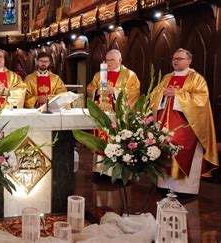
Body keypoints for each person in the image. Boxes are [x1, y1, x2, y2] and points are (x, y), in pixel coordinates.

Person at [150, 48, 218, 195]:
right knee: (164, 151)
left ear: (189, 61)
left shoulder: (196, 79)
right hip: (165, 125)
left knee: (183, 153)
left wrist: (178, 95)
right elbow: (154, 95)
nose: (175, 61)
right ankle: (164, 185)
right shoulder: (167, 77)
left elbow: (201, 101)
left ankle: (185, 190)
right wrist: (162, 95)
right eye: (174, 58)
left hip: (187, 126)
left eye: (179, 58)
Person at [87, 49, 140, 174]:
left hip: (117, 115)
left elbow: (133, 92)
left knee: (115, 138)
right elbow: (90, 88)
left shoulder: (129, 75)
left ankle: (116, 172)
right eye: (107, 60)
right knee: (101, 138)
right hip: (101, 112)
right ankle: (99, 170)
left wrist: (115, 90)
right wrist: (96, 92)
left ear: (120, 60)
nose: (109, 63)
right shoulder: (99, 74)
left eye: (112, 60)